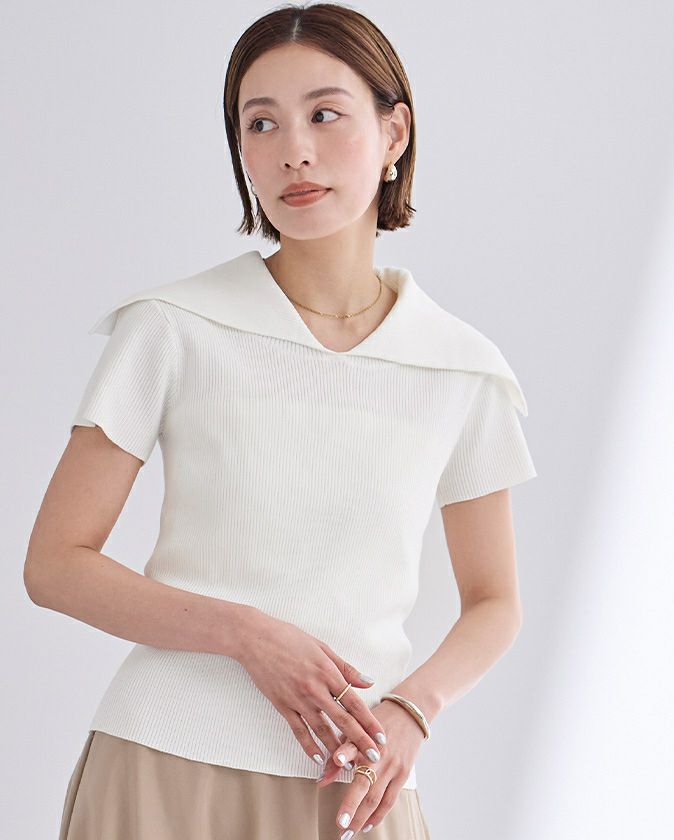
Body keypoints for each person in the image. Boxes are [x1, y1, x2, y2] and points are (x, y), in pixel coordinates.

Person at [24, 3, 538, 839]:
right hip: (165, 766)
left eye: (324, 114)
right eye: (260, 123)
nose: (293, 149)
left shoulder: (459, 368)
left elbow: (496, 602)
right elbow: (54, 564)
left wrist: (414, 709)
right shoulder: (175, 327)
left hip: (357, 780)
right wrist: (246, 634)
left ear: (395, 132)